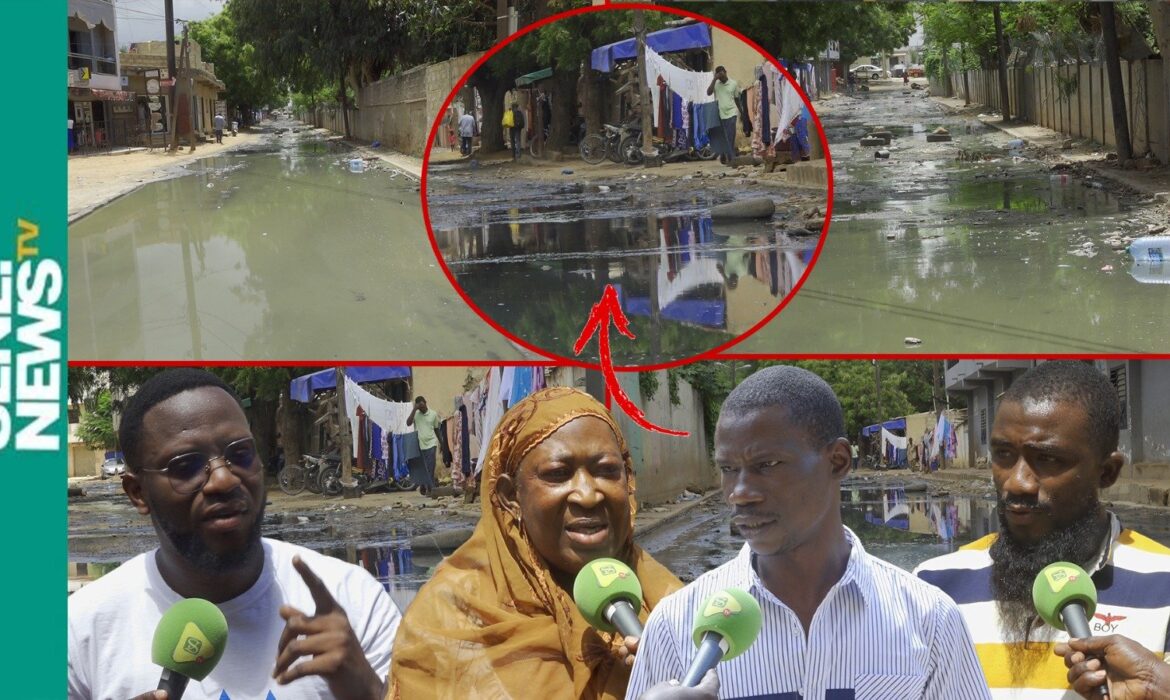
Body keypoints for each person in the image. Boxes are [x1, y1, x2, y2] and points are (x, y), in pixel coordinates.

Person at [628, 366, 990, 699]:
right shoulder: (675, 627)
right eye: (727, 468)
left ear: (838, 461)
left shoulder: (928, 620)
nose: (739, 492)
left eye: (767, 465)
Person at [67, 369, 401, 700]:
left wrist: (370, 692)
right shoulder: (81, 630)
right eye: (186, 466)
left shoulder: (354, 601)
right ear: (137, 492)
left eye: (240, 454)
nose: (224, 480)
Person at [388, 387, 682, 699]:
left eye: (607, 471)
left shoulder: (669, 605)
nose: (588, 494)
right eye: (558, 474)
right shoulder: (448, 620)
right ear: (510, 497)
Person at [915, 361, 1170, 699]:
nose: (1017, 483)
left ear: (1107, 472)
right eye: (1004, 455)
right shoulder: (934, 587)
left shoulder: (1165, 584)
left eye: (1048, 459)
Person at [406, 396, 442, 497]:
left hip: (431, 444)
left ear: (426, 403)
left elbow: (437, 430)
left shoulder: (433, 414)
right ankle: (425, 486)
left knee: (430, 467)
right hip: (420, 446)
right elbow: (408, 423)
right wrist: (414, 409)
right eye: (419, 407)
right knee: (424, 468)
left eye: (422, 406)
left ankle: (430, 490)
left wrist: (442, 443)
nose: (421, 409)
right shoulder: (416, 415)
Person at [706, 66, 742, 166]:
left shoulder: (733, 83)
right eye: (719, 76)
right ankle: (724, 154)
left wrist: (742, 112)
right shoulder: (716, 84)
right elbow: (708, 93)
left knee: (730, 136)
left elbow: (737, 99)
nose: (721, 78)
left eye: (722, 75)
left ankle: (731, 158)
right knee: (723, 137)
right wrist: (714, 79)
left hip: (732, 114)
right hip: (720, 115)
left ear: (726, 72)